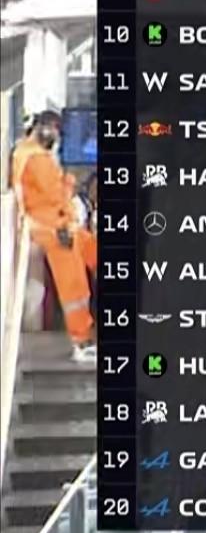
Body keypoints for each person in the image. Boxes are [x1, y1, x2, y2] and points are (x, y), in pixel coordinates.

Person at [11, 111, 96, 363]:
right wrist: (68, 182)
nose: (56, 136)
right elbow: (53, 195)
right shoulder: (34, 157)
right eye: (54, 130)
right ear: (42, 127)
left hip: (62, 225)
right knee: (74, 287)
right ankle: (81, 341)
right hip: (54, 229)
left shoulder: (31, 154)